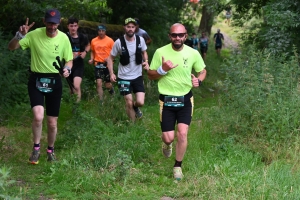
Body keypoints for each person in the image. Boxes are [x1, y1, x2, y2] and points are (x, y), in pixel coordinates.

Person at [8, 9, 73, 164]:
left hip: (54, 81)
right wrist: (19, 35)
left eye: (55, 23)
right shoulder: (34, 34)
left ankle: (50, 151)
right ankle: (36, 148)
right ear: (44, 22)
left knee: (52, 122)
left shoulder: (64, 38)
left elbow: (69, 60)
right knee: (38, 116)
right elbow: (12, 47)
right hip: (36, 79)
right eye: (49, 23)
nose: (52, 26)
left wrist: (68, 69)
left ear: (58, 23)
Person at [147, 23, 206, 180]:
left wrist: (199, 81)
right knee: (169, 137)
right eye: (174, 35)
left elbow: (202, 70)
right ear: (170, 36)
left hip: (185, 99)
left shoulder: (193, 53)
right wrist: (162, 69)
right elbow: (150, 75)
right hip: (166, 100)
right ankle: (167, 144)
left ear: (186, 36)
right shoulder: (160, 52)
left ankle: (177, 167)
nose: (178, 38)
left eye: (181, 35)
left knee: (182, 133)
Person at [107, 18, 149, 121]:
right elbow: (110, 58)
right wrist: (112, 73)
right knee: (128, 102)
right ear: (124, 28)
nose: (130, 29)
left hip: (137, 76)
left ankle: (136, 107)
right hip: (123, 77)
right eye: (128, 27)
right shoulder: (119, 42)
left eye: (132, 27)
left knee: (140, 102)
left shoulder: (140, 40)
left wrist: (146, 61)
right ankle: (132, 126)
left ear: (135, 28)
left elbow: (144, 52)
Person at [88, 24, 115, 104]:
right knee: (99, 83)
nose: (101, 32)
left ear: (105, 31)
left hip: (107, 64)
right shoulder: (93, 40)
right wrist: (92, 59)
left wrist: (110, 58)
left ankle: (112, 93)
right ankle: (101, 101)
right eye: (99, 31)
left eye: (102, 31)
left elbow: (114, 52)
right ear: (97, 31)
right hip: (98, 64)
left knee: (107, 84)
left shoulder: (110, 41)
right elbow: (92, 51)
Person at [66, 17, 90, 102]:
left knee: (76, 86)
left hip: (79, 64)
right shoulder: (65, 37)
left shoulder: (82, 37)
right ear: (68, 26)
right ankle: (73, 106)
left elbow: (88, 45)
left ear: (78, 26)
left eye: (75, 26)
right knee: (72, 88)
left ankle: (77, 107)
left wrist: (85, 52)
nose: (73, 28)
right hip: (68, 63)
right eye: (71, 26)